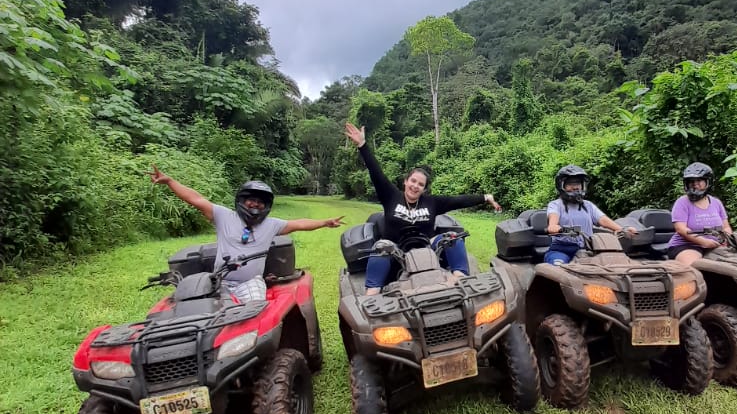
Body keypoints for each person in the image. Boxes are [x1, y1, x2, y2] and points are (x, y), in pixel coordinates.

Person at [344, 122, 501, 294]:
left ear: (424, 189)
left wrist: (486, 197)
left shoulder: (431, 202)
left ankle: (459, 278)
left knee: (453, 237)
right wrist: (362, 145)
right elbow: (376, 172)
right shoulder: (391, 196)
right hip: (396, 249)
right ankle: (372, 293)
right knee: (381, 247)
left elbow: (459, 200)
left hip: (428, 247)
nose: (415, 186)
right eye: (413, 181)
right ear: (405, 181)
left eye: (420, 184)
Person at [149, 168, 344, 303]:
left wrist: (325, 222)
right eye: (251, 200)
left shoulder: (271, 225)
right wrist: (170, 182)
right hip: (220, 280)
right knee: (206, 314)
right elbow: (196, 199)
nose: (255, 205)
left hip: (250, 283)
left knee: (255, 311)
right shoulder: (223, 216)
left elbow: (300, 223)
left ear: (266, 206)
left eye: (260, 202)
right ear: (242, 200)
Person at [544, 165, 635, 265]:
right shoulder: (555, 205)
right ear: (562, 185)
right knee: (558, 268)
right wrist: (565, 230)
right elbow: (552, 226)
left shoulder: (588, 205)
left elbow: (603, 220)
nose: (575, 187)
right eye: (570, 184)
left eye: (578, 183)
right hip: (562, 250)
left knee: (612, 267)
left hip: (588, 250)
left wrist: (622, 229)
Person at [666, 161, 733, 266]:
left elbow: (726, 227)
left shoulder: (716, 202)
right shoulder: (682, 202)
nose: (695, 184)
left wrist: (726, 239)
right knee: (694, 268)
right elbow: (681, 229)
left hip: (715, 246)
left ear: (707, 182)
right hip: (687, 246)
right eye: (691, 181)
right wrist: (704, 242)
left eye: (699, 180)